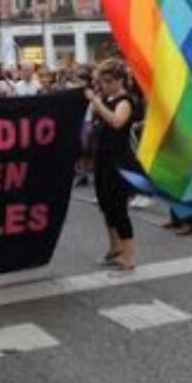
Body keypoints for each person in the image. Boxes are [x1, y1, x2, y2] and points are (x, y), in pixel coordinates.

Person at [86, 59, 137, 271]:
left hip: (118, 159)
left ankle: (129, 256)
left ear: (118, 81)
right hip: (103, 157)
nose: (103, 85)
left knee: (119, 207)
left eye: (107, 81)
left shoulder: (125, 100)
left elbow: (117, 122)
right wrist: (95, 103)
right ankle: (114, 249)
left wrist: (97, 103)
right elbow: (91, 120)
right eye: (101, 81)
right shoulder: (106, 98)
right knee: (106, 205)